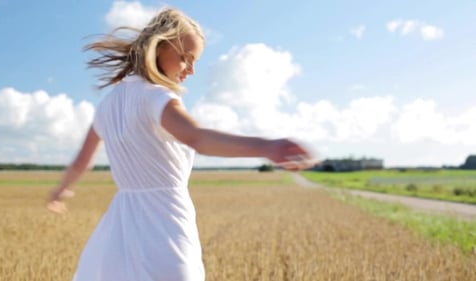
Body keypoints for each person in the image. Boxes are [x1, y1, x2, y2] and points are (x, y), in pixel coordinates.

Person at [48, 7, 316, 281]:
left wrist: (62, 190)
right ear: (158, 47)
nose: (191, 69)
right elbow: (197, 137)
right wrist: (266, 147)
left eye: (195, 61)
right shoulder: (157, 97)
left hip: (118, 230)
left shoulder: (107, 105)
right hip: (165, 224)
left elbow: (83, 160)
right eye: (185, 58)